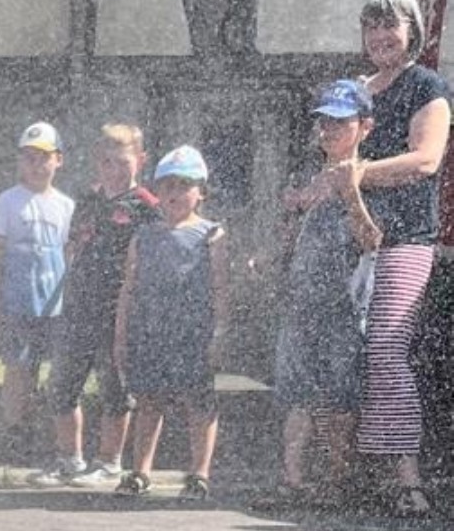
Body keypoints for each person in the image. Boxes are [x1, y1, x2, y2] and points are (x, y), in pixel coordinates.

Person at [340, 0, 451, 517]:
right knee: (339, 353)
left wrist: (358, 174)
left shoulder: (427, 86)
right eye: (372, 26)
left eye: (392, 25)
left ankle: (407, 477)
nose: (381, 35)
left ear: (413, 31)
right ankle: (345, 471)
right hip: (344, 240)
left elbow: (426, 160)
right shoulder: (354, 90)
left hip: (404, 239)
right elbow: (331, 152)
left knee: (385, 347)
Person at [254, 80, 381, 512]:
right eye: (323, 123)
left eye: (339, 123)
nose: (327, 131)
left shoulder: (374, 176)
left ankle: (338, 479)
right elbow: (285, 246)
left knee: (340, 397)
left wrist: (350, 193)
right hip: (300, 302)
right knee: (295, 394)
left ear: (364, 126)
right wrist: (286, 222)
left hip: (343, 307)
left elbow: (372, 242)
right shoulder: (303, 178)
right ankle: (292, 479)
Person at [29, 124, 157, 487]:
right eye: (105, 161)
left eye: (121, 161)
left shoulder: (146, 206)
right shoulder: (88, 200)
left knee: (114, 386)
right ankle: (69, 458)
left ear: (141, 160)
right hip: (79, 305)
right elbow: (73, 246)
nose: (113, 169)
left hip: (118, 309)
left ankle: (109, 461)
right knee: (63, 382)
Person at [112, 145, 226, 502]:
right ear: (157, 192)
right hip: (150, 331)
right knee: (148, 401)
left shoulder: (211, 235)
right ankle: (140, 470)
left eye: (184, 185)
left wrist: (221, 331)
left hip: (193, 333)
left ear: (201, 192)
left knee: (199, 403)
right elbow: (128, 289)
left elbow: (221, 288)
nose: (174, 193)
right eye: (167, 186)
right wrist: (121, 336)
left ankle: (199, 474)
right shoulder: (143, 236)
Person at [0, 122, 74, 453]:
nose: (37, 166)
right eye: (29, 158)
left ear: (58, 160)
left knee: (54, 369)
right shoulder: (8, 202)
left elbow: (69, 256)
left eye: (44, 158)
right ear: (20, 162)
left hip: (55, 305)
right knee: (17, 368)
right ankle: (15, 430)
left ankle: (47, 427)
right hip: (16, 302)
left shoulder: (66, 206)